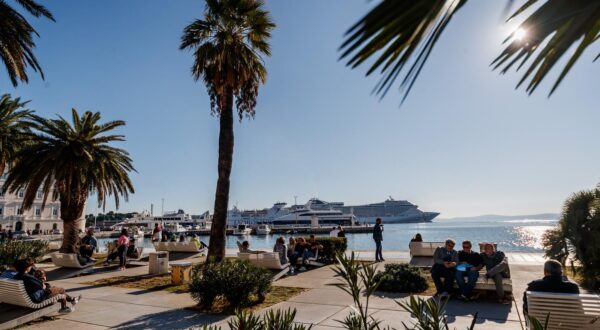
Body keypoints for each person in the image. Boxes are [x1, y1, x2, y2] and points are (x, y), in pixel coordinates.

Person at [14, 259, 80, 314]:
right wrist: (43, 281)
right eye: (30, 266)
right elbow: (42, 287)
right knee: (61, 290)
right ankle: (64, 308)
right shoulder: (28, 277)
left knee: (53, 288)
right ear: (27, 267)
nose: (31, 267)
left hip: (29, 297)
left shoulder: (16, 276)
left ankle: (71, 299)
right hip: (39, 297)